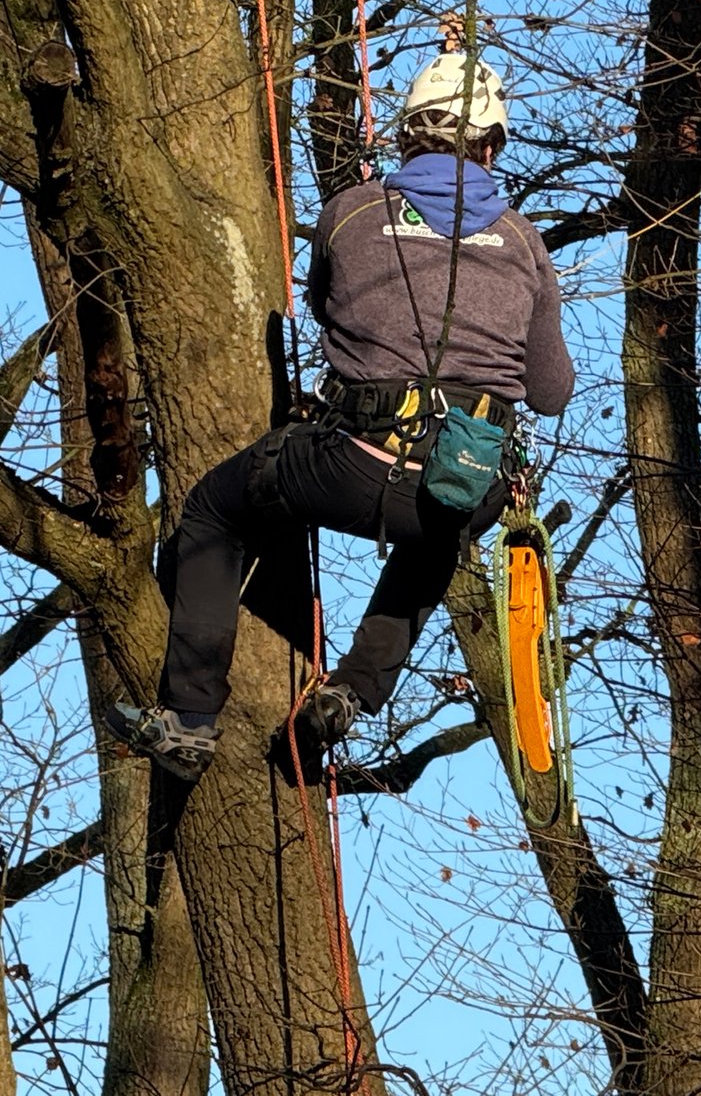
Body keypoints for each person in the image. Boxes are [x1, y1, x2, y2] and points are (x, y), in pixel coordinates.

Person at [105, 52, 574, 780]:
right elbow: (550, 391)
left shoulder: (352, 212)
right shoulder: (523, 241)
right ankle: (352, 692)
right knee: (438, 540)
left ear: (408, 136)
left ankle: (191, 717)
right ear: (490, 148)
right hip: (461, 477)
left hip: (351, 460)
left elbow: (327, 306)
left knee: (213, 511)